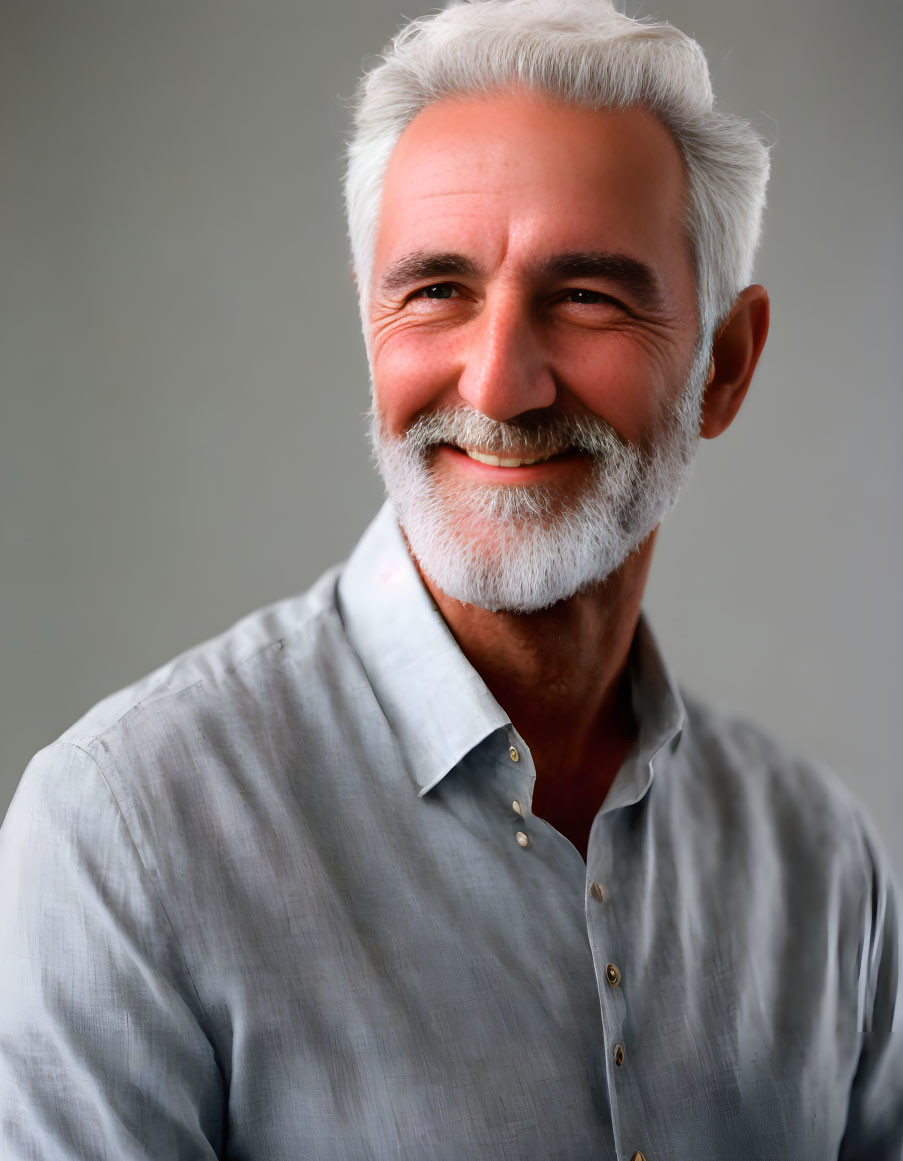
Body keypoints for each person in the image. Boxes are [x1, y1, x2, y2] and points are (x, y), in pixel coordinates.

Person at [1, 0, 900, 1156]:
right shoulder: (120, 839)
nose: (500, 383)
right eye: (436, 290)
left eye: (586, 296)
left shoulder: (823, 868)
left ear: (724, 366)